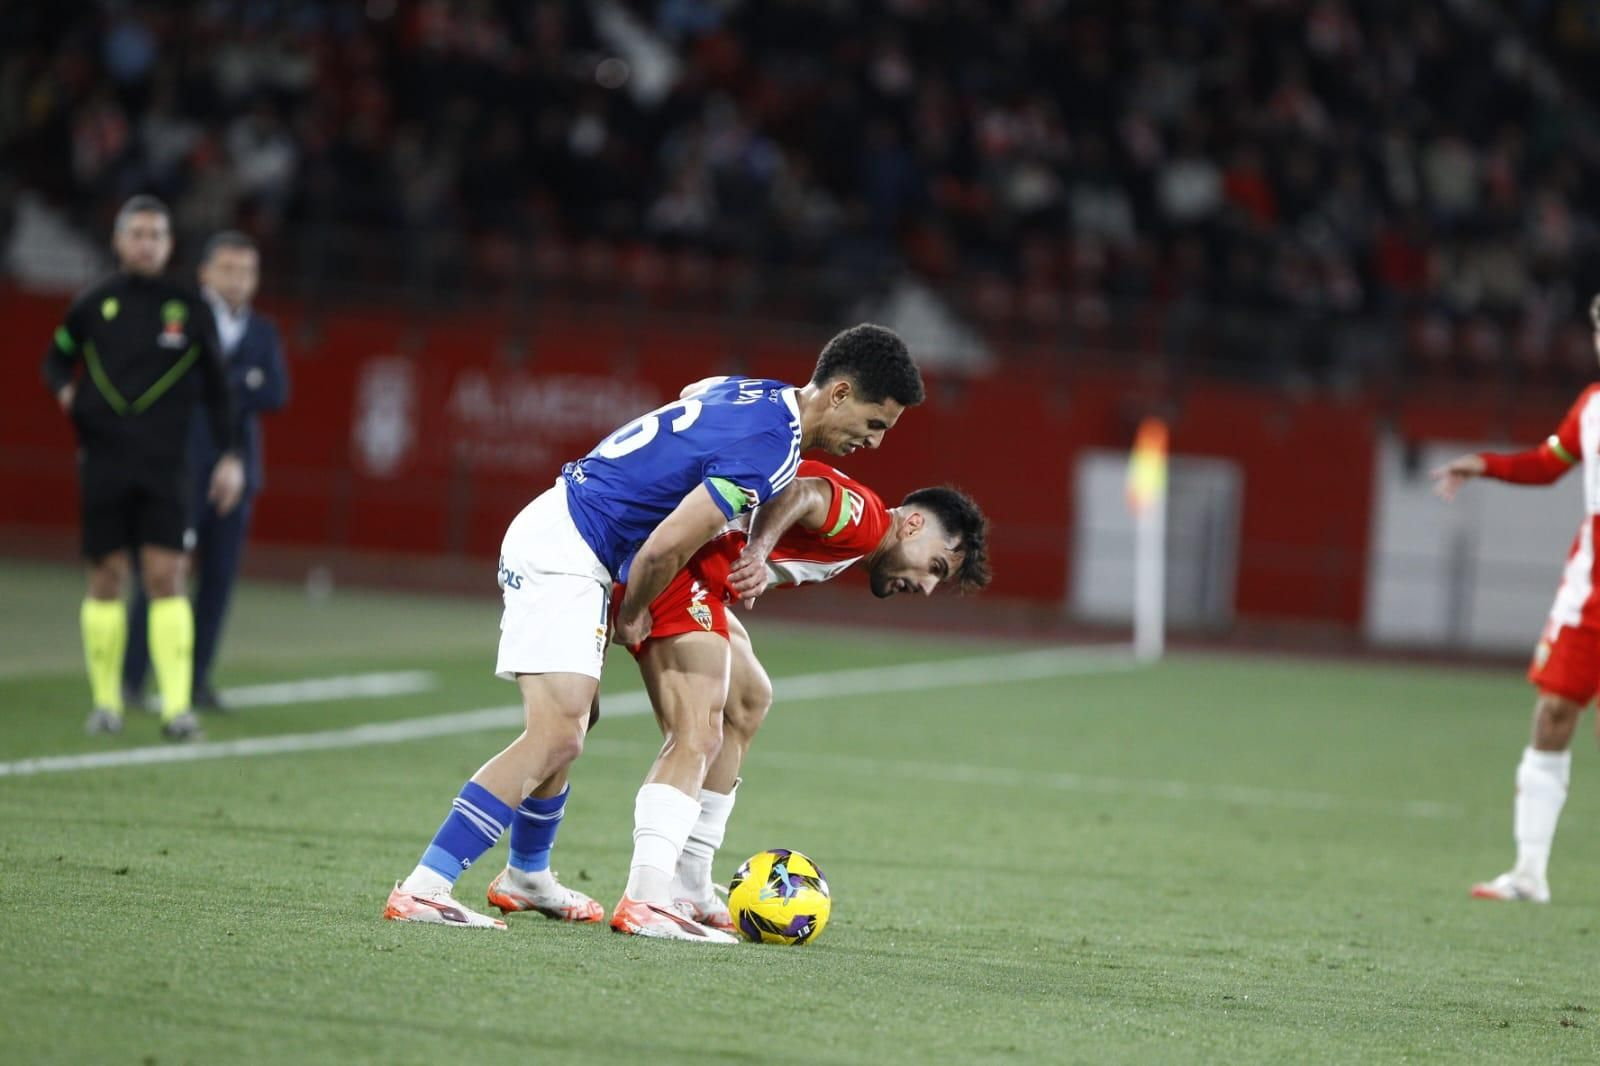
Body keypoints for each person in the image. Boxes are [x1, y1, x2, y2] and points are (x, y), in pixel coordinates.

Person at [382, 324, 924, 935]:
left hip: (570, 530)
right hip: (572, 546)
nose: (873, 443)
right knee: (558, 733)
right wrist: (635, 609)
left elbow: (696, 395)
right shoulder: (772, 448)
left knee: (574, 722)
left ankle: (526, 876)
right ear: (841, 393)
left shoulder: (754, 394)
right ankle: (428, 884)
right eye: (875, 424)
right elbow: (665, 547)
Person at [483, 460, 990, 937]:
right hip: (673, 570)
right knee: (693, 733)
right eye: (936, 568)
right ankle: (647, 895)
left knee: (748, 699)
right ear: (913, 524)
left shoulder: (865, 537)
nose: (924, 587)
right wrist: (761, 547)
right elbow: (803, 491)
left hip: (695, 577)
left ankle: (688, 883)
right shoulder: (869, 521)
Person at [41, 195, 244, 742]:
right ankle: (105, 704)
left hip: (167, 465)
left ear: (169, 244)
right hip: (103, 461)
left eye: (156, 234)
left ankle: (176, 709)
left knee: (166, 576)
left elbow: (221, 390)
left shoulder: (188, 307)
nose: (147, 243)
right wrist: (65, 393)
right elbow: (56, 356)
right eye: (137, 233)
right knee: (105, 577)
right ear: (119, 240)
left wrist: (228, 456)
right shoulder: (92, 303)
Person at [1432, 293, 1600, 904]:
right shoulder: (1592, 406)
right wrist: (1486, 464)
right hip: (1590, 589)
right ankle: (1529, 871)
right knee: (1554, 713)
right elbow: (1548, 462)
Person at [123, 231, 289, 713]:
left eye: (248, 271)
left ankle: (196, 681)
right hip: (181, 469)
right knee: (162, 574)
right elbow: (178, 386)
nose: (239, 280)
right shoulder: (178, 318)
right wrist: (242, 380)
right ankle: (132, 678)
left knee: (217, 581)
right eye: (229, 269)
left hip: (239, 474)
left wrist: (221, 386)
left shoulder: (263, 330)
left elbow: (276, 393)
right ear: (205, 273)